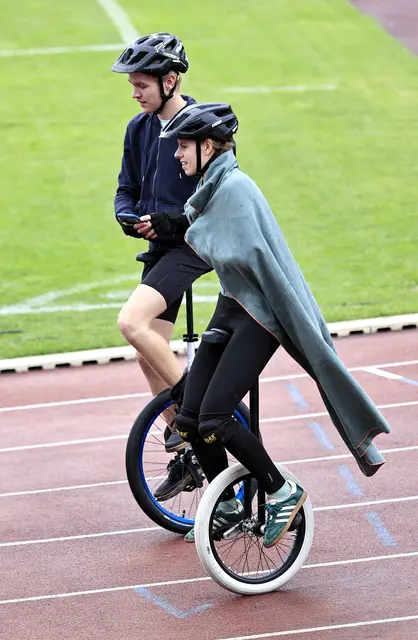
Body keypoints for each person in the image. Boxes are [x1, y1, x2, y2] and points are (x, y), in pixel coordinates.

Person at [159, 102, 391, 545]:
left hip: (258, 317)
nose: (177, 154)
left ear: (208, 146)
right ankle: (228, 504)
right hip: (231, 306)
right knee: (188, 418)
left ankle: (282, 491)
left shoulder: (236, 189)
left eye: (184, 146)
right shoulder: (212, 186)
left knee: (215, 420)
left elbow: (254, 257)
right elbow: (211, 240)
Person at [111, 33, 211, 462]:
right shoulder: (138, 128)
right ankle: (183, 439)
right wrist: (126, 216)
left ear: (169, 81)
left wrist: (173, 220)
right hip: (159, 248)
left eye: (141, 86)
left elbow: (217, 198)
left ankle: (197, 415)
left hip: (191, 247)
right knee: (146, 354)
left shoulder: (203, 126)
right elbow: (126, 189)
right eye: (132, 85)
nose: (134, 94)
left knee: (131, 323)